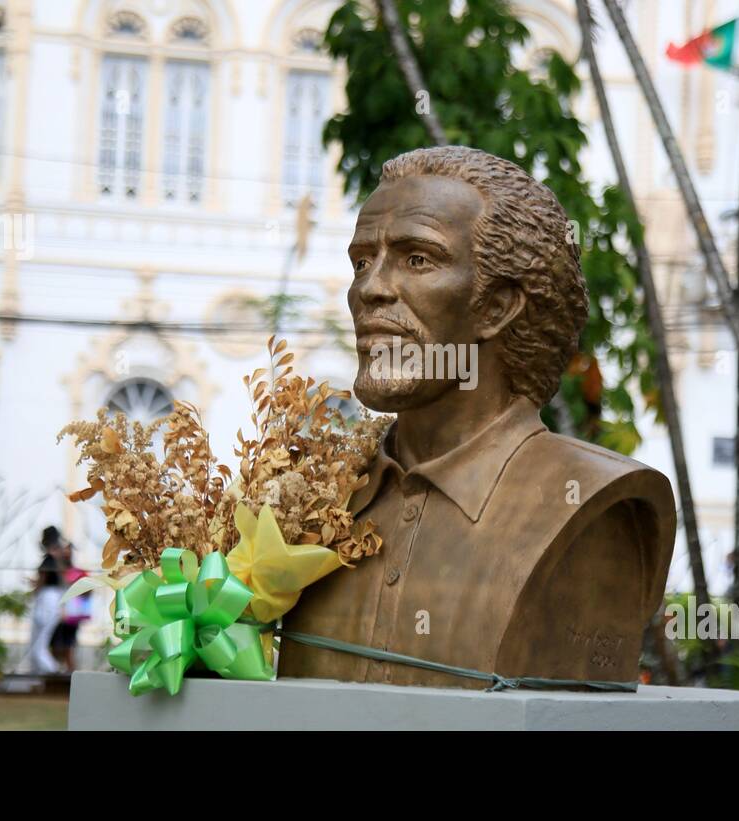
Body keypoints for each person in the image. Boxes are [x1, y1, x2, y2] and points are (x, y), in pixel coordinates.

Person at [279, 146, 676, 688]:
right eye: (362, 262)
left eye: (417, 259)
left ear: (498, 307)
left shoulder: (592, 501)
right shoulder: (313, 497)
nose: (369, 289)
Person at [27, 526, 65, 674]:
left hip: (46, 600)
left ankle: (55, 671)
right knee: (41, 645)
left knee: (37, 647)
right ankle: (50, 672)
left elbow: (41, 582)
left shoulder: (48, 560)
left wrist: (33, 589)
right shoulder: (58, 560)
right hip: (55, 600)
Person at [50, 539, 91, 672]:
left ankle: (69, 674)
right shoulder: (62, 571)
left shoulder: (76, 572)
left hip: (71, 615)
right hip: (61, 614)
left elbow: (88, 590)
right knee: (58, 646)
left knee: (67, 647)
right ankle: (62, 672)